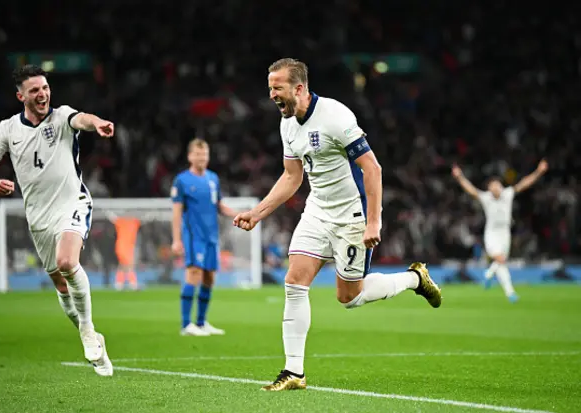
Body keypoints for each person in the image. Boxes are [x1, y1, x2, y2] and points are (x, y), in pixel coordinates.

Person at [233, 58, 442, 391]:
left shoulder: (336, 117)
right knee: (294, 280)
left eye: (277, 88)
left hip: (351, 216)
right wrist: (258, 212)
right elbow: (292, 176)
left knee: (350, 298)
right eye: (270, 87)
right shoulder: (287, 124)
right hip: (317, 211)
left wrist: (374, 222)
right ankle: (294, 372)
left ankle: (414, 278)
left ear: (298, 88)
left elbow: (372, 169)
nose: (271, 94)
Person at [0, 64, 113, 376]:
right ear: (20, 95)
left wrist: (98, 122)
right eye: (34, 90)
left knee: (67, 261)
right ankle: (89, 334)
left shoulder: (62, 116)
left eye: (45, 88)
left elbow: (83, 119)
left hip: (72, 203)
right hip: (38, 217)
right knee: (61, 286)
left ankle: (88, 331)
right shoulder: (8, 129)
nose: (42, 94)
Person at [451, 160, 548, 302]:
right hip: (491, 234)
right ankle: (501, 285)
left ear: (501, 186)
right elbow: (470, 189)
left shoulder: (508, 194)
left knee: (501, 263)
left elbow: (525, 183)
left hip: (505, 233)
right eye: (492, 185)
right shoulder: (486, 198)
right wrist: (459, 177)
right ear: (489, 188)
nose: (496, 187)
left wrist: (539, 171)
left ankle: (498, 283)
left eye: (498, 184)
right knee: (500, 259)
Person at [171, 139, 238, 336]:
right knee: (194, 274)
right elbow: (176, 212)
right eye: (198, 154)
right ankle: (186, 325)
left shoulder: (213, 178)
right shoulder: (182, 180)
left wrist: (240, 214)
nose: (202, 158)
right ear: (190, 156)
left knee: (209, 277)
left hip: (211, 236)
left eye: (205, 155)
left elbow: (220, 205)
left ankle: (201, 322)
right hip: (193, 236)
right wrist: (176, 239)